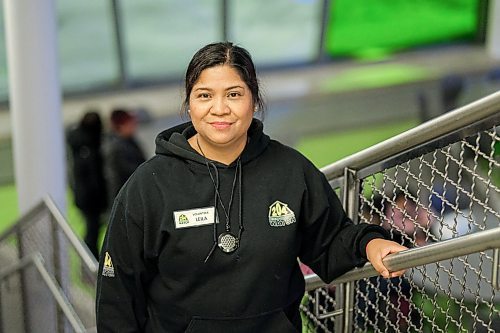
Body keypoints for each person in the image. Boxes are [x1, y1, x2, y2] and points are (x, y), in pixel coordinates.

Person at [96, 42, 407, 332]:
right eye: (204, 95)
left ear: (254, 100)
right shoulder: (149, 185)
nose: (219, 109)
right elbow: (118, 292)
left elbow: (329, 239)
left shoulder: (290, 170)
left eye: (234, 94)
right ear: (188, 104)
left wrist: (370, 243)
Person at [67, 111, 107, 259]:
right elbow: (92, 178)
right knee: (92, 231)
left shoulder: (80, 146)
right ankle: (90, 262)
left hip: (85, 196)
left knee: (93, 230)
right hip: (91, 198)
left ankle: (91, 262)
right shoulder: (89, 148)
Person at [103, 108, 146, 201]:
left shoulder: (128, 141)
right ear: (121, 126)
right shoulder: (116, 147)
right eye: (131, 123)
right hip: (126, 197)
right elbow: (131, 172)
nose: (135, 126)